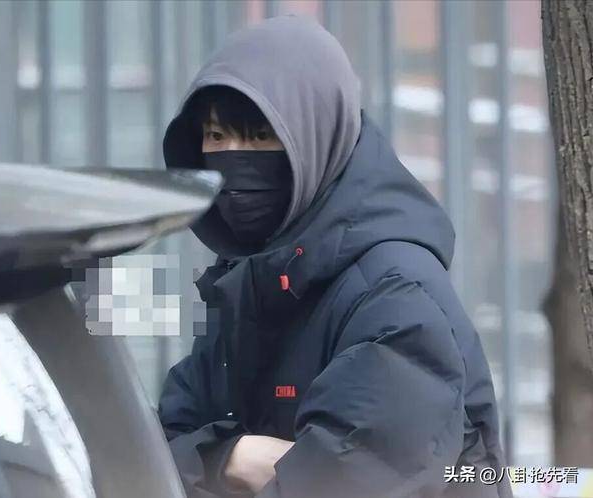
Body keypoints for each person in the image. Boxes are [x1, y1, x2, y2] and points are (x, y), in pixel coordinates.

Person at [158, 14, 513, 498]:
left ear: (315, 138)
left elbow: (346, 480)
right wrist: (232, 458)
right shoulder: (252, 282)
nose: (234, 160)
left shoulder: (394, 296)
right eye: (217, 137)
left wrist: (211, 464)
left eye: (260, 137)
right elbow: (153, 450)